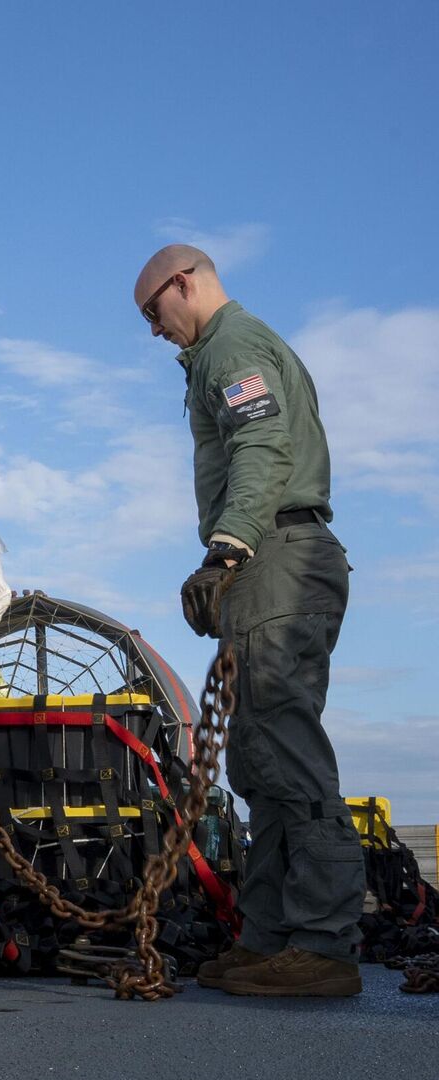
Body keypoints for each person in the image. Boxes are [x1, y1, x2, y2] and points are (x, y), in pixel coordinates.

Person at [135, 244, 364, 997]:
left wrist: (227, 550)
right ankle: (270, 936)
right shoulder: (218, 356)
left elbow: (262, 442)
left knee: (287, 749)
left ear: (184, 282)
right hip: (273, 558)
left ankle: (324, 945)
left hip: (279, 553)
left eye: (153, 311)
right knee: (259, 757)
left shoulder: (232, 344)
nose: (156, 329)